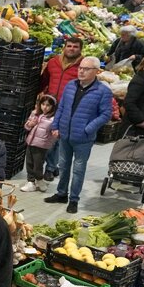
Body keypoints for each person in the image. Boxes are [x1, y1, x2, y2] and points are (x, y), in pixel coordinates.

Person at [45, 57, 113, 214]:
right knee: (63, 166)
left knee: (78, 169)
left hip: (83, 138)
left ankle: (74, 199)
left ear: (96, 71)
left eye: (86, 69)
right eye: (80, 68)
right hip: (64, 135)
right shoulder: (70, 85)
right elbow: (61, 107)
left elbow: (106, 114)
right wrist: (56, 125)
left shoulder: (103, 91)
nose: (81, 71)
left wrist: (88, 128)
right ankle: (61, 194)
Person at [41, 37, 83, 180]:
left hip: (69, 108)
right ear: (64, 47)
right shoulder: (53, 62)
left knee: (57, 139)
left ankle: (50, 168)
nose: (72, 49)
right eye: (69, 46)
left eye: (75, 47)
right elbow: (44, 80)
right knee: (47, 136)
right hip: (50, 105)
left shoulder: (83, 67)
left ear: (80, 49)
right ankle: (53, 166)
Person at [20, 94, 58, 193]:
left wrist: (54, 135)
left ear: (53, 107)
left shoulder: (53, 119)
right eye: (43, 104)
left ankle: (39, 179)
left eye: (48, 105)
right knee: (29, 163)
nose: (45, 107)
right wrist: (29, 124)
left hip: (42, 145)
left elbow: (55, 133)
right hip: (30, 142)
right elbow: (27, 126)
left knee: (38, 165)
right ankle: (31, 182)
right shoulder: (35, 113)